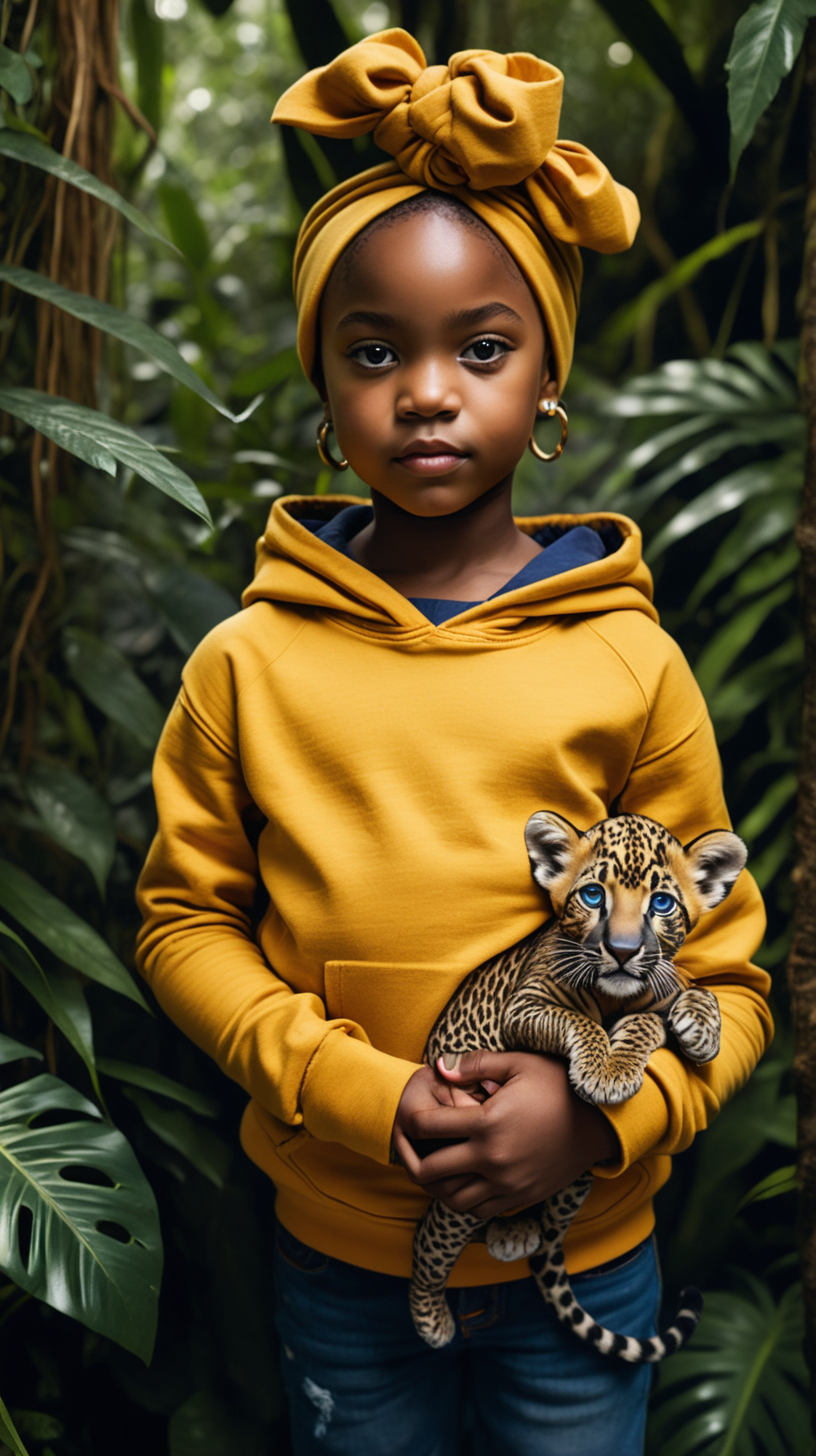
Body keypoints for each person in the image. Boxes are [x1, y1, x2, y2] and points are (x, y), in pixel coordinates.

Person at [135, 29, 772, 1456]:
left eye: (480, 348)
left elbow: (726, 970)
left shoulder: (627, 658)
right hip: (346, 1253)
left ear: (545, 376)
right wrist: (356, 1092)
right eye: (377, 351)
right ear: (324, 385)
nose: (429, 390)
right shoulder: (248, 663)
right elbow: (184, 923)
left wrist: (604, 1119)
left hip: (591, 1249)